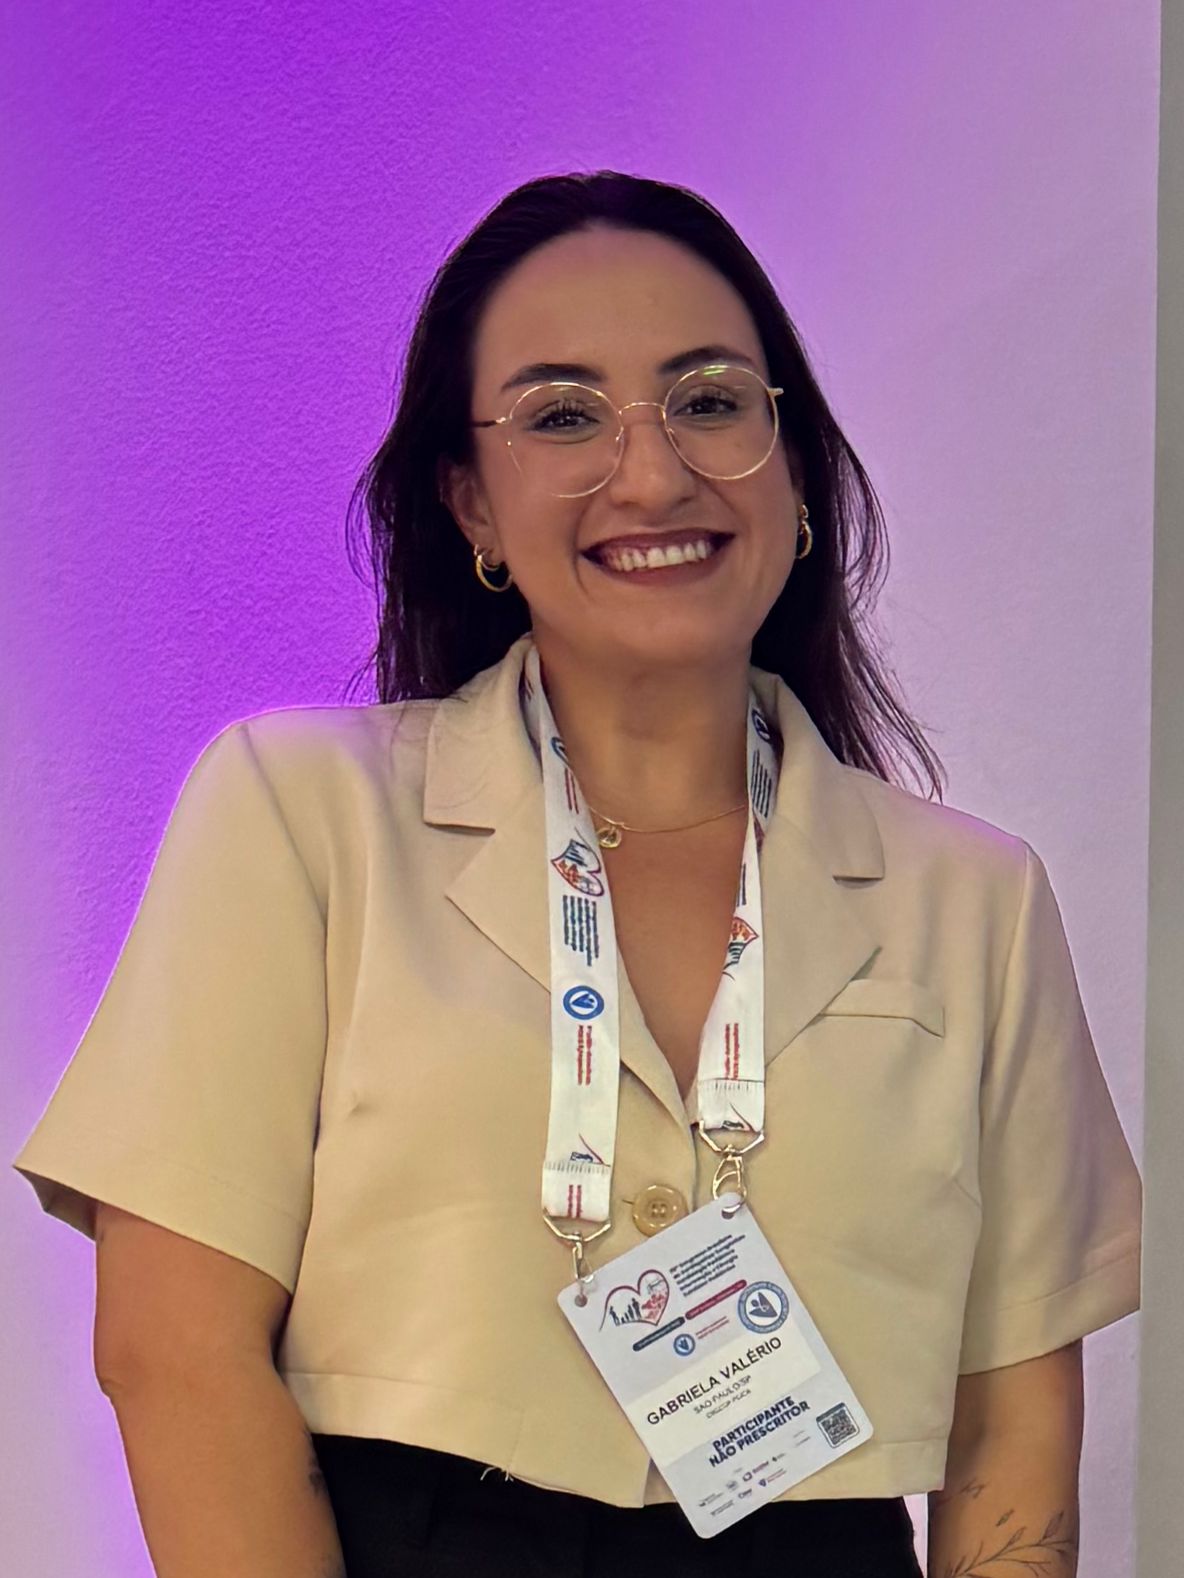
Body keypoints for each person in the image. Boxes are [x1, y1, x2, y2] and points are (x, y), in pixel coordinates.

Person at [12, 171, 1141, 1578]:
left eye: (711, 401)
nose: (654, 475)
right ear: (472, 503)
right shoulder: (301, 816)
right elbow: (174, 1352)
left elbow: (1009, 1430)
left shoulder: (976, 901)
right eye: (562, 416)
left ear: (795, 467)